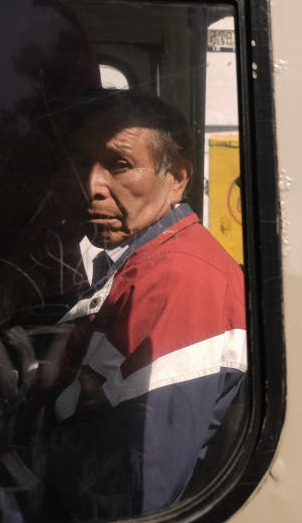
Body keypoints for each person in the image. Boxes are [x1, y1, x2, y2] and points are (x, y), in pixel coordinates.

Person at [27, 90, 248, 519]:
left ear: (177, 178)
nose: (92, 187)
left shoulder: (179, 281)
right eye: (83, 164)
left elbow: (130, 495)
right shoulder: (143, 262)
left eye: (120, 165)